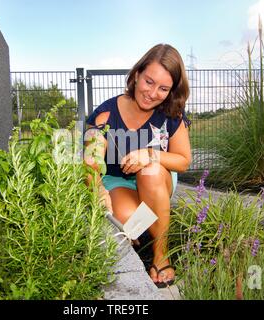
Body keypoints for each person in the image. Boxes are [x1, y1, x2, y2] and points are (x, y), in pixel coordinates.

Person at [83, 44, 192, 288]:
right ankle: (153, 221)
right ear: (136, 76)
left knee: (150, 170)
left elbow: (183, 160)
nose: (153, 93)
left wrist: (151, 155)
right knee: (126, 222)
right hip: (118, 182)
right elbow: (91, 159)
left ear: (172, 90)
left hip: (157, 180)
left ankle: (161, 254)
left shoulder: (173, 113)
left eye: (163, 88)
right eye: (149, 82)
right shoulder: (106, 114)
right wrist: (97, 189)